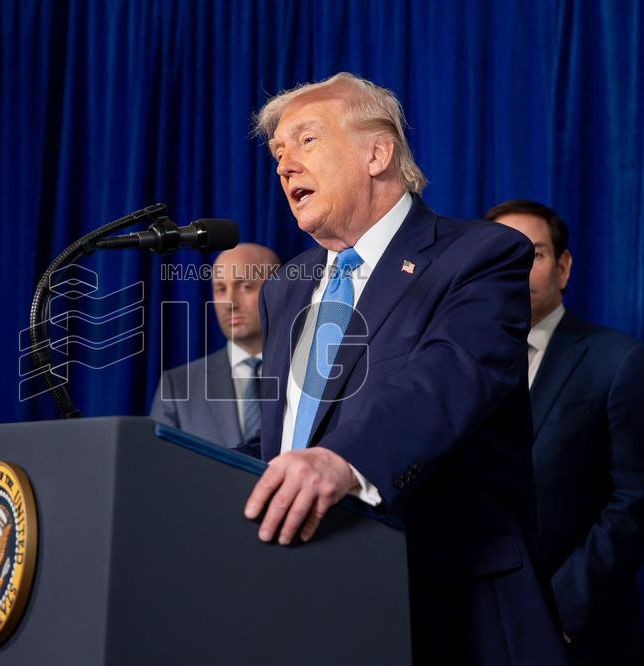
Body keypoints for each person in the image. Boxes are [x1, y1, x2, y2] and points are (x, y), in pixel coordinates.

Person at [243, 73, 567, 664]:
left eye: (306, 140)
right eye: (277, 154)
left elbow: (449, 377)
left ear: (377, 154)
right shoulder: (285, 287)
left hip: (446, 606)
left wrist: (341, 460)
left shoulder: (480, 255)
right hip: (307, 600)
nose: (285, 166)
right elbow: (287, 438)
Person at [488, 199, 644, 665]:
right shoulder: (458, 364)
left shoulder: (620, 362)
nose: (516, 269)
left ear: (563, 267)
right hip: (477, 626)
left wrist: (560, 613)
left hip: (575, 636)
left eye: (533, 254)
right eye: (500, 256)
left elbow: (636, 503)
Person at [150, 243, 280, 448]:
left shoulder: (309, 375)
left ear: (278, 291)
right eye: (220, 289)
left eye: (245, 287)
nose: (230, 303)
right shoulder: (177, 387)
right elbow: (158, 463)